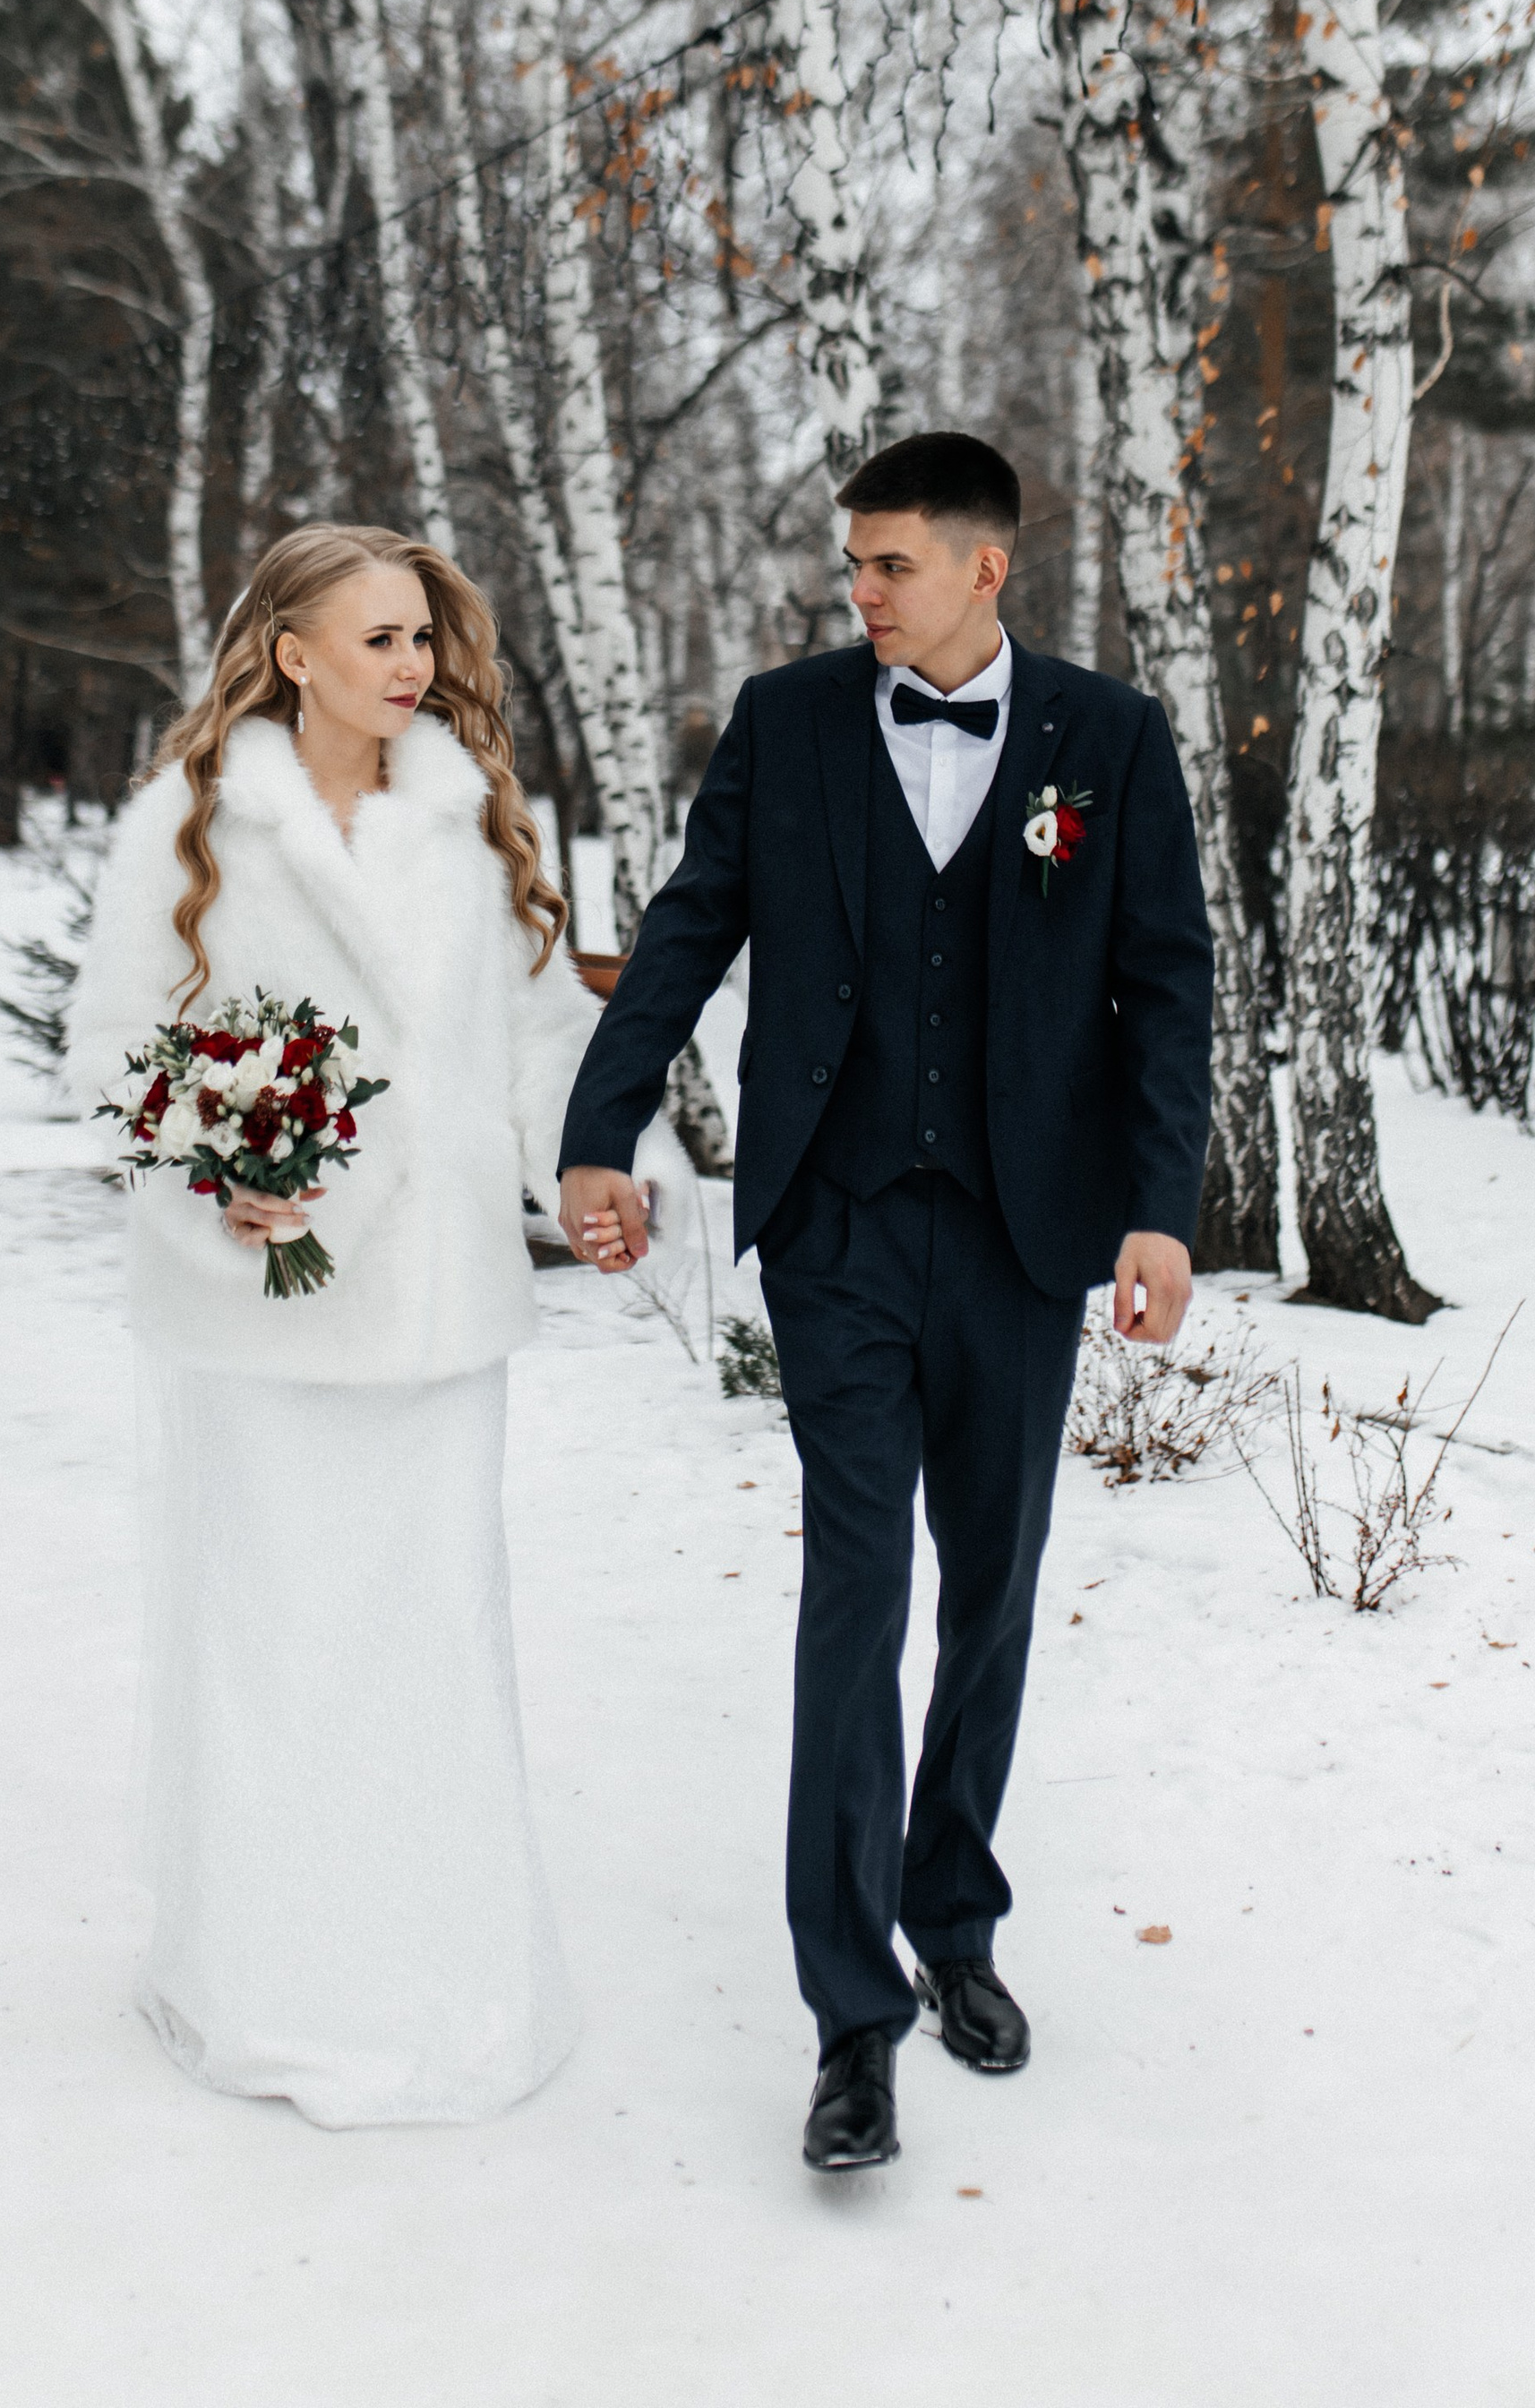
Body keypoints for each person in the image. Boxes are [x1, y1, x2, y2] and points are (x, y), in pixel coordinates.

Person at [559, 432, 1213, 2174]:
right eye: (849, 567)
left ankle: (956, 1919)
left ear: (983, 566)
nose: (858, 594)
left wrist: (1159, 1210)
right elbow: (690, 929)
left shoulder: (1109, 739)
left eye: (889, 566)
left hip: (1020, 1240)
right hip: (834, 1232)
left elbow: (1163, 984)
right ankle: (849, 2020)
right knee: (855, 1598)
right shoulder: (783, 723)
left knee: (990, 1592)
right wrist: (596, 1129)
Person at [69, 524, 684, 2126]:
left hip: (436, 1312)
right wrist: (217, 1174)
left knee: (433, 1645)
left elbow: (542, 1035)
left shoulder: (474, 827)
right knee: (278, 1651)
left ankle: (448, 1985)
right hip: (264, 1322)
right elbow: (118, 1048)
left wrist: (597, 1171)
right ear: (293, 654)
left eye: (424, 637)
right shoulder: (192, 824)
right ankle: (270, 1988)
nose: (415, 667)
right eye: (382, 640)